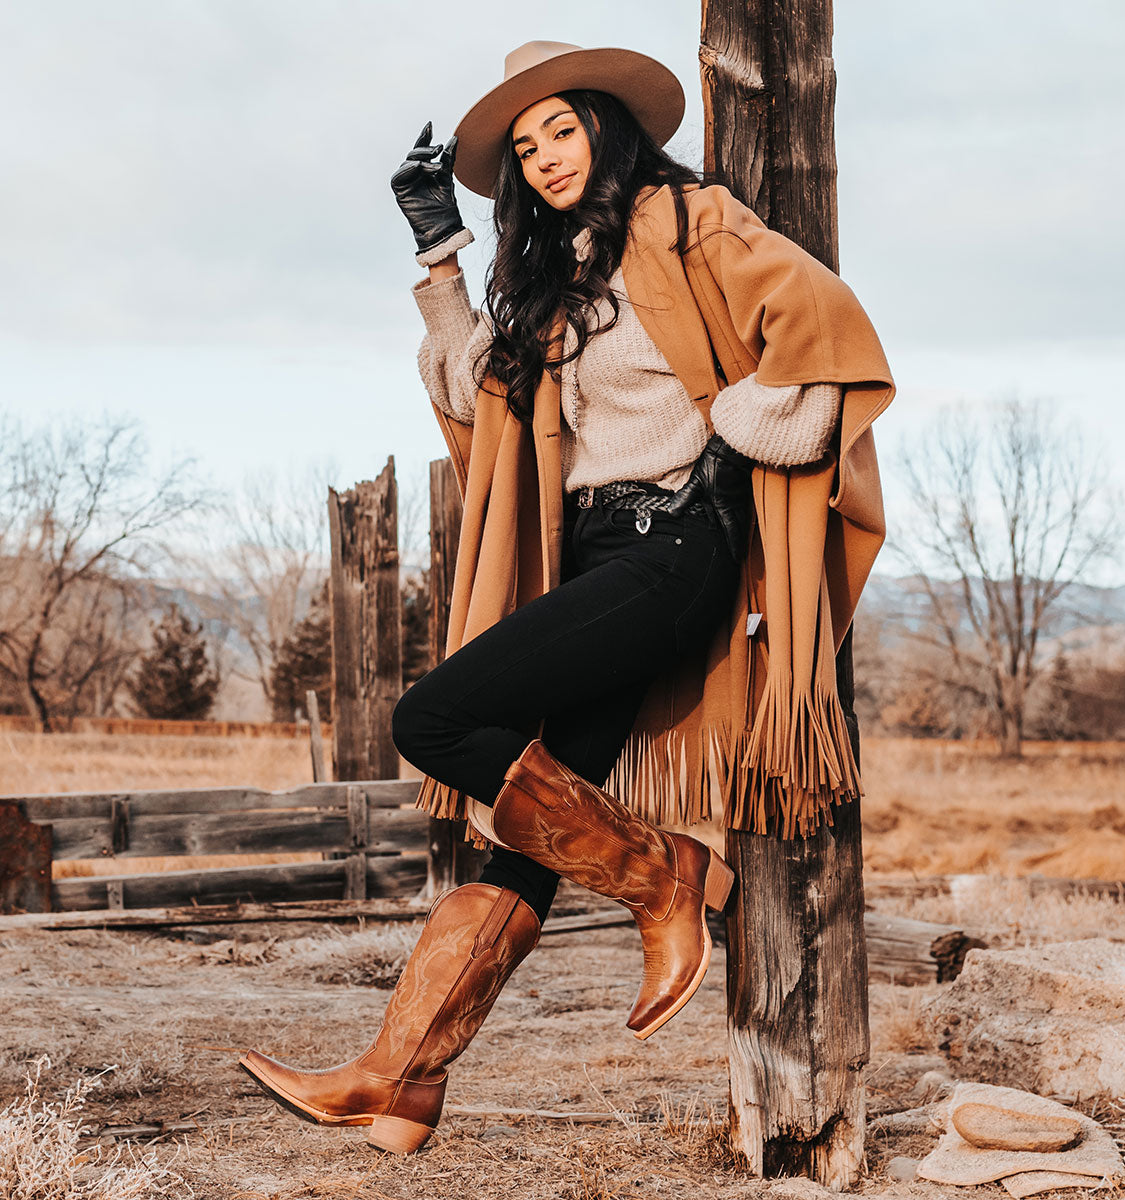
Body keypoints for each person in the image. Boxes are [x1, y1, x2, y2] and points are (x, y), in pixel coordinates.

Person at [240, 40, 893, 1157]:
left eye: (560, 128)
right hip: (600, 559)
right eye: (523, 144)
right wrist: (438, 252)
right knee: (526, 841)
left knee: (432, 722)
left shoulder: (695, 223)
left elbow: (823, 330)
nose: (542, 157)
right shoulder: (565, 273)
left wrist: (729, 435)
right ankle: (400, 1084)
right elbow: (481, 397)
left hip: (671, 547)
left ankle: (665, 875)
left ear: (607, 123)